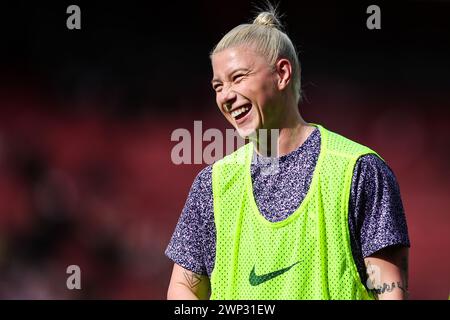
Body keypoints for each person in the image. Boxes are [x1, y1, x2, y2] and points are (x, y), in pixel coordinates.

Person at [165, 5, 410, 300]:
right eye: (218, 85)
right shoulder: (212, 185)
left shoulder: (359, 171)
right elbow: (183, 288)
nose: (226, 96)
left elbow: (389, 291)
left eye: (238, 77)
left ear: (282, 74)